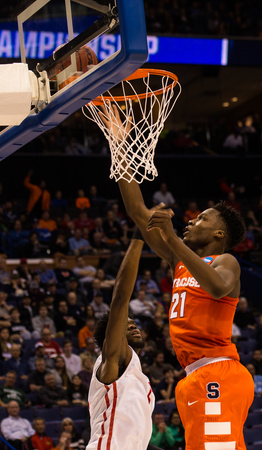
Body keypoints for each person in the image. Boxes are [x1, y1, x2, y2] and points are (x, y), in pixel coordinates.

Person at [102, 107, 255, 449]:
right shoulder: (178, 260)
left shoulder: (226, 261)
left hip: (219, 371)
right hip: (196, 375)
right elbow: (138, 212)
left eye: (201, 219)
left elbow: (216, 288)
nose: (190, 221)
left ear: (218, 234)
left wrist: (172, 239)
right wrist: (120, 144)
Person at [86, 238, 155, 450]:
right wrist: (139, 237)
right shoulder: (112, 360)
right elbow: (120, 299)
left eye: (134, 323)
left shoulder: (137, 375)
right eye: (127, 324)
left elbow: (136, 434)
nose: (134, 326)